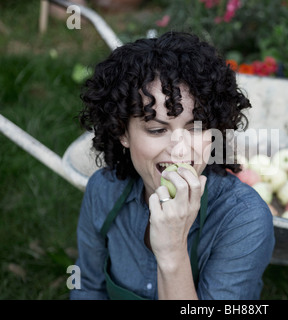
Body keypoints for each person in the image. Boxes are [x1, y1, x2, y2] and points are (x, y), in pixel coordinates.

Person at [70, 31, 275, 300]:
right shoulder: (103, 191)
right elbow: (88, 288)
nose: (180, 149)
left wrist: (172, 251)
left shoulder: (244, 219)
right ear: (122, 133)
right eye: (157, 130)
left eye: (196, 128)